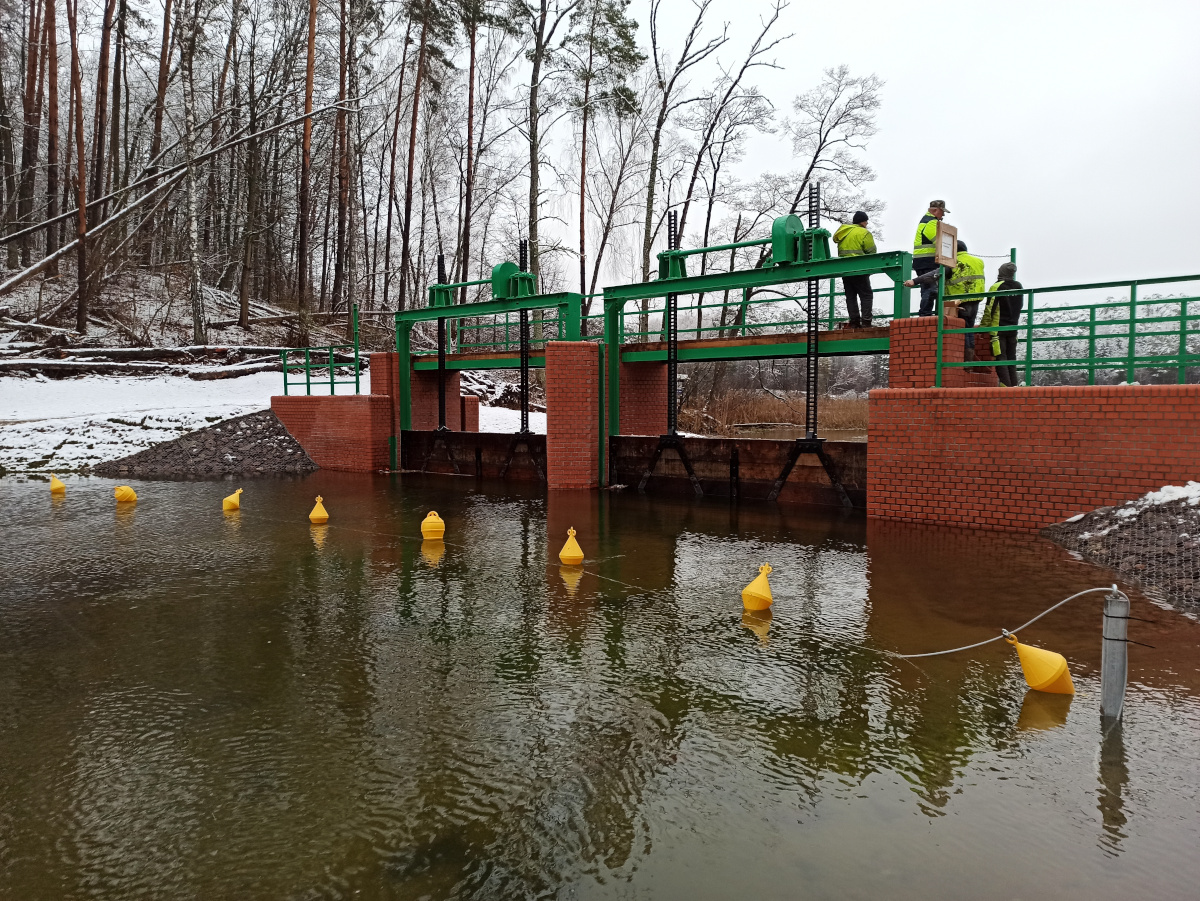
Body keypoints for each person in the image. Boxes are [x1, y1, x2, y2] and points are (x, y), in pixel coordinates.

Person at [981, 261, 1024, 386]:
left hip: (998, 329)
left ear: (1001, 272)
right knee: (1011, 358)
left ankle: (1005, 386)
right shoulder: (1018, 286)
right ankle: (1014, 385)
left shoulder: (997, 286)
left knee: (1000, 357)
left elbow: (989, 309)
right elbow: (1020, 306)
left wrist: (983, 327)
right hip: (1013, 328)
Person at [832, 211, 877, 327]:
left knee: (851, 296)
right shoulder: (864, 233)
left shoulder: (844, 232)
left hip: (845, 270)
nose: (867, 223)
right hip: (860, 268)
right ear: (862, 222)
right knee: (866, 295)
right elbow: (872, 252)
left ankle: (854, 322)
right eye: (866, 221)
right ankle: (866, 322)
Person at [946, 240, 986, 359]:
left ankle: (967, 360)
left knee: (964, 329)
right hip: (976, 299)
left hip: (960, 300)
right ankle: (969, 359)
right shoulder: (978, 261)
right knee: (969, 327)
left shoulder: (953, 262)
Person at [912, 200, 948, 316]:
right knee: (930, 289)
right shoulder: (932, 222)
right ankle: (925, 315)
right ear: (935, 210)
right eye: (942, 212)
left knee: (927, 288)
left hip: (922, 261)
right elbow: (939, 241)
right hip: (927, 261)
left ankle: (925, 314)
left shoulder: (925, 221)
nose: (943, 215)